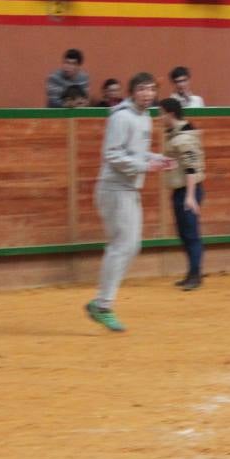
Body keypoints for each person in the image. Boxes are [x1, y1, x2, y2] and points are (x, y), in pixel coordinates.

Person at [86, 73, 174, 331]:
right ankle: (102, 305)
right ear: (132, 91)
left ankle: (101, 303)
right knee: (122, 245)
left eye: (151, 90)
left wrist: (157, 159)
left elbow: (135, 152)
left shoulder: (145, 117)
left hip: (128, 188)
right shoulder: (121, 117)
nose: (147, 94)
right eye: (142, 89)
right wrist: (145, 166)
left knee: (131, 246)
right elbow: (112, 154)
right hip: (114, 188)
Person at [160, 98, 206, 291]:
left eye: (161, 113)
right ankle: (192, 273)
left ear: (170, 114)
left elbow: (191, 168)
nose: (160, 117)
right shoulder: (176, 134)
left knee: (191, 234)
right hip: (182, 190)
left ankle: (195, 275)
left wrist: (190, 196)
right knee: (185, 234)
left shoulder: (183, 137)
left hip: (188, 190)